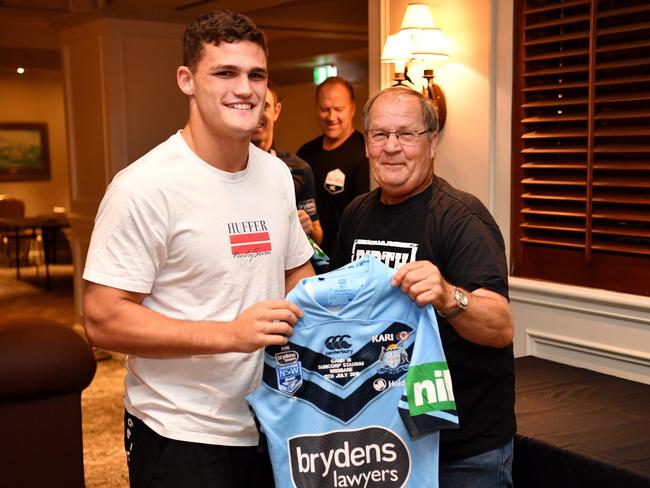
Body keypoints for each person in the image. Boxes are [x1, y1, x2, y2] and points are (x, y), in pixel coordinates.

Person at [82, 10, 314, 488]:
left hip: (273, 420)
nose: (245, 89)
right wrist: (230, 334)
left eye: (256, 74)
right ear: (187, 80)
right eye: (225, 73)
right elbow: (102, 317)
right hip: (181, 433)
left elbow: (297, 272)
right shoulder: (144, 187)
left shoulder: (275, 175)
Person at [330, 86, 516, 488]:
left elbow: (500, 326)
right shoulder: (356, 215)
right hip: (384, 441)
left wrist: (450, 296)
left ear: (432, 143)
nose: (391, 147)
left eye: (406, 134)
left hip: (463, 451)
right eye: (380, 135)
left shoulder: (462, 217)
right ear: (366, 145)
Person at [297, 76, 370, 256]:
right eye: (324, 109)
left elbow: (364, 216)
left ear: (352, 109)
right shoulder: (305, 154)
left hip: (347, 257)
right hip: (309, 257)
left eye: (338, 109)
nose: (331, 117)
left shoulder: (365, 152)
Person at [251, 80, 323, 246]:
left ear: (277, 111)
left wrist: (309, 227)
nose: (257, 114)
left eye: (265, 106)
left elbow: (318, 238)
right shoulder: (229, 166)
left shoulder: (300, 169)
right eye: (252, 106)